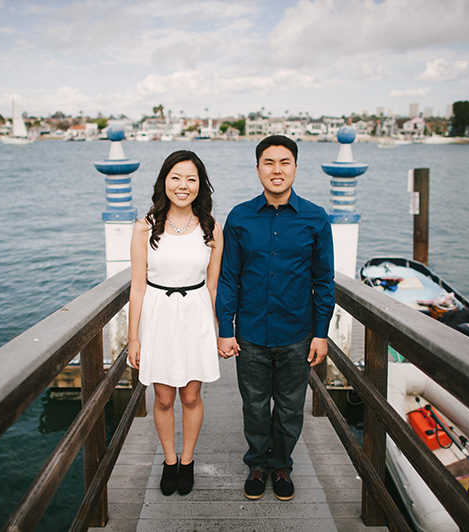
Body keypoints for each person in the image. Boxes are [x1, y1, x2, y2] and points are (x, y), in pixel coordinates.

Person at [216, 135, 335, 501]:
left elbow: (323, 280)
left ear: (296, 168)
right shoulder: (239, 217)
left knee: (289, 408)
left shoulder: (315, 218)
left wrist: (321, 333)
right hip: (250, 334)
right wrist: (225, 329)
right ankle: (257, 464)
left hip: (297, 334)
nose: (277, 170)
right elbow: (228, 277)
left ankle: (281, 464)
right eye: (269, 162)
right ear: (257, 169)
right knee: (253, 406)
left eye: (285, 162)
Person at [128, 149, 223, 496]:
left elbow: (213, 286)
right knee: (164, 397)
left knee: (191, 396)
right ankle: (169, 460)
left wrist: (221, 332)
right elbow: (138, 287)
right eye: (176, 177)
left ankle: (188, 458)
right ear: (164, 181)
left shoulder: (212, 229)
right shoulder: (144, 228)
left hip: (195, 315)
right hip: (158, 316)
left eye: (191, 179)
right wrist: (133, 338)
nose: (183, 185)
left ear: (201, 185)